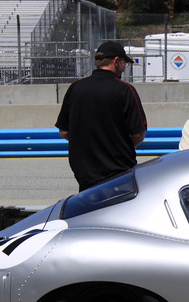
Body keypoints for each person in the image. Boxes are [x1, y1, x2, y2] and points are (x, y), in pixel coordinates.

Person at [55, 41, 147, 191]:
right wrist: (118, 147)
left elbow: (64, 132)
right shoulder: (125, 90)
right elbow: (139, 134)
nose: (124, 68)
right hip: (119, 175)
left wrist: (87, 143)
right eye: (124, 63)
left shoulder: (75, 88)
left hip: (85, 176)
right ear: (117, 61)